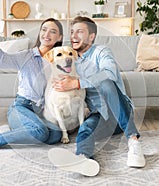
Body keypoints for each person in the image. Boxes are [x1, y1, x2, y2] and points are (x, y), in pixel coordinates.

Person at [48, 16, 146, 176]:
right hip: (100, 116)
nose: (73, 36)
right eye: (72, 32)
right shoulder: (71, 60)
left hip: (119, 112)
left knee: (106, 82)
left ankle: (134, 142)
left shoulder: (101, 51)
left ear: (91, 36)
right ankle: (83, 158)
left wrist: (77, 83)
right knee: (85, 128)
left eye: (79, 32)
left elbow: (110, 74)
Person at [0, 18, 64, 153]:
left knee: (56, 134)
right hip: (21, 106)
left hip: (41, 112)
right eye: (44, 29)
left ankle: (13, 131)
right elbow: (2, 60)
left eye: (53, 31)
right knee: (40, 132)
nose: (47, 34)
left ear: (59, 37)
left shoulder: (60, 62)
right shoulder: (27, 56)